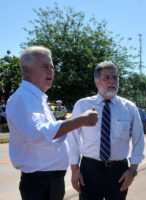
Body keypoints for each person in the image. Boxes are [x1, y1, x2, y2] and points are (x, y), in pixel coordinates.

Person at [6, 46, 99, 200]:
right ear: (27, 70)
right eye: (45, 67)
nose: (51, 71)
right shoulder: (22, 98)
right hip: (40, 183)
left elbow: (49, 136)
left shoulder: (37, 99)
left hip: (49, 181)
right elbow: (36, 134)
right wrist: (80, 121)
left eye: (52, 67)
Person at [67, 61, 145, 200]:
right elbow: (72, 139)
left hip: (119, 172)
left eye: (115, 77)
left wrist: (132, 170)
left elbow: (139, 140)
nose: (112, 81)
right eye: (106, 78)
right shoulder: (82, 105)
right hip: (90, 170)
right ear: (97, 81)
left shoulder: (129, 108)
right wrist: (74, 169)